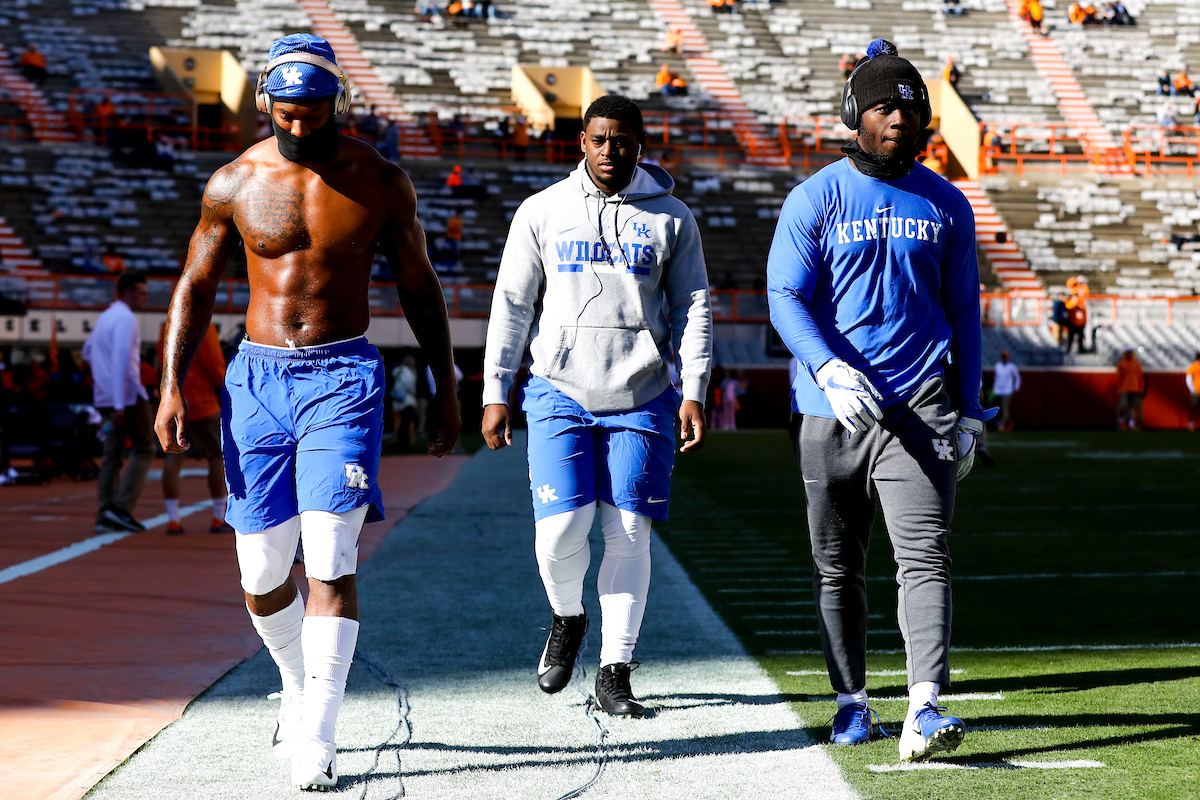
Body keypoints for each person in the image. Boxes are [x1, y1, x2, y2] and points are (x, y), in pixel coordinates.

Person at [153, 34, 460, 791]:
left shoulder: (380, 182)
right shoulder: (233, 182)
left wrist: (448, 383)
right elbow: (193, 287)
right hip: (256, 381)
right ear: (265, 104)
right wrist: (168, 385)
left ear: (339, 105)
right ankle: (294, 682)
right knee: (261, 570)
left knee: (329, 557)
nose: (299, 126)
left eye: (315, 113)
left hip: (342, 377)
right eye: (287, 113)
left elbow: (419, 287)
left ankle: (317, 741)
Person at [767, 39, 989, 763]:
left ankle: (923, 708)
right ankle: (851, 702)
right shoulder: (815, 197)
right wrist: (827, 367)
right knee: (838, 565)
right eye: (884, 104)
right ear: (854, 115)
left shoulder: (949, 202)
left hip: (921, 405)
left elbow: (965, 313)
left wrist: (975, 409)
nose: (899, 115)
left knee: (926, 557)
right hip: (831, 408)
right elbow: (784, 296)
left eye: (910, 105)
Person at [481, 94, 712, 719]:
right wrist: (495, 390)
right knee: (560, 528)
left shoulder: (671, 217)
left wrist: (693, 388)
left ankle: (616, 670)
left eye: (624, 140)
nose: (612, 151)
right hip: (559, 387)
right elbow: (512, 304)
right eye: (600, 139)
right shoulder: (542, 211)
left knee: (628, 531)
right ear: (581, 141)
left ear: (641, 144)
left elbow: (692, 306)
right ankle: (567, 617)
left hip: (643, 393)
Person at [83, 272, 153, 533]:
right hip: (126, 395)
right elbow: (122, 362)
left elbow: (87, 351)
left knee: (111, 454)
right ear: (126, 292)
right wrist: (120, 403)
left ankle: (105, 513)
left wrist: (103, 383)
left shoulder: (106, 317)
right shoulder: (126, 319)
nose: (144, 298)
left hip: (105, 395)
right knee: (145, 447)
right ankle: (120, 508)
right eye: (141, 293)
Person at [156, 322, 231, 534]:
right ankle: (218, 516)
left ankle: (173, 519)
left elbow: (162, 364)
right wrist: (227, 388)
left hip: (174, 400)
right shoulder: (205, 328)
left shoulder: (166, 327)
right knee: (217, 456)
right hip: (202, 403)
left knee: (172, 457)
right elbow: (213, 365)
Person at [390, 355, 418, 450]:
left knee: (397, 422)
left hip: (396, 399)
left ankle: (397, 440)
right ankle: (408, 441)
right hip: (407, 400)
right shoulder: (408, 373)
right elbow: (409, 386)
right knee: (408, 423)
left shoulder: (397, 371)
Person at [1115, 346, 1145, 430]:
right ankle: (1123, 424)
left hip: (1135, 389)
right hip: (1124, 389)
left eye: (1130, 352)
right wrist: (1119, 388)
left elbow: (1140, 376)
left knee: (1134, 408)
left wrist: (1141, 387)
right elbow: (1119, 377)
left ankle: (1132, 424)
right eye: (1128, 352)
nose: (1129, 354)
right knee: (1124, 407)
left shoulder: (1136, 363)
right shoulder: (1121, 363)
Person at [992, 350, 1020, 431]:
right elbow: (996, 378)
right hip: (997, 391)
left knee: (1004, 408)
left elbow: (1017, 378)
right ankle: (1002, 423)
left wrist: (1016, 387)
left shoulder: (1012, 367)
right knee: (997, 408)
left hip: (1007, 391)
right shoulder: (998, 366)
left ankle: (1002, 425)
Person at [1186, 352, 1199, 431]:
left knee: (1193, 408)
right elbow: (1188, 379)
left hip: (1196, 391)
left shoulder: (1193, 366)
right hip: (1196, 391)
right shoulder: (1193, 366)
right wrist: (1192, 389)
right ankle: (1190, 424)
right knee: (1193, 407)